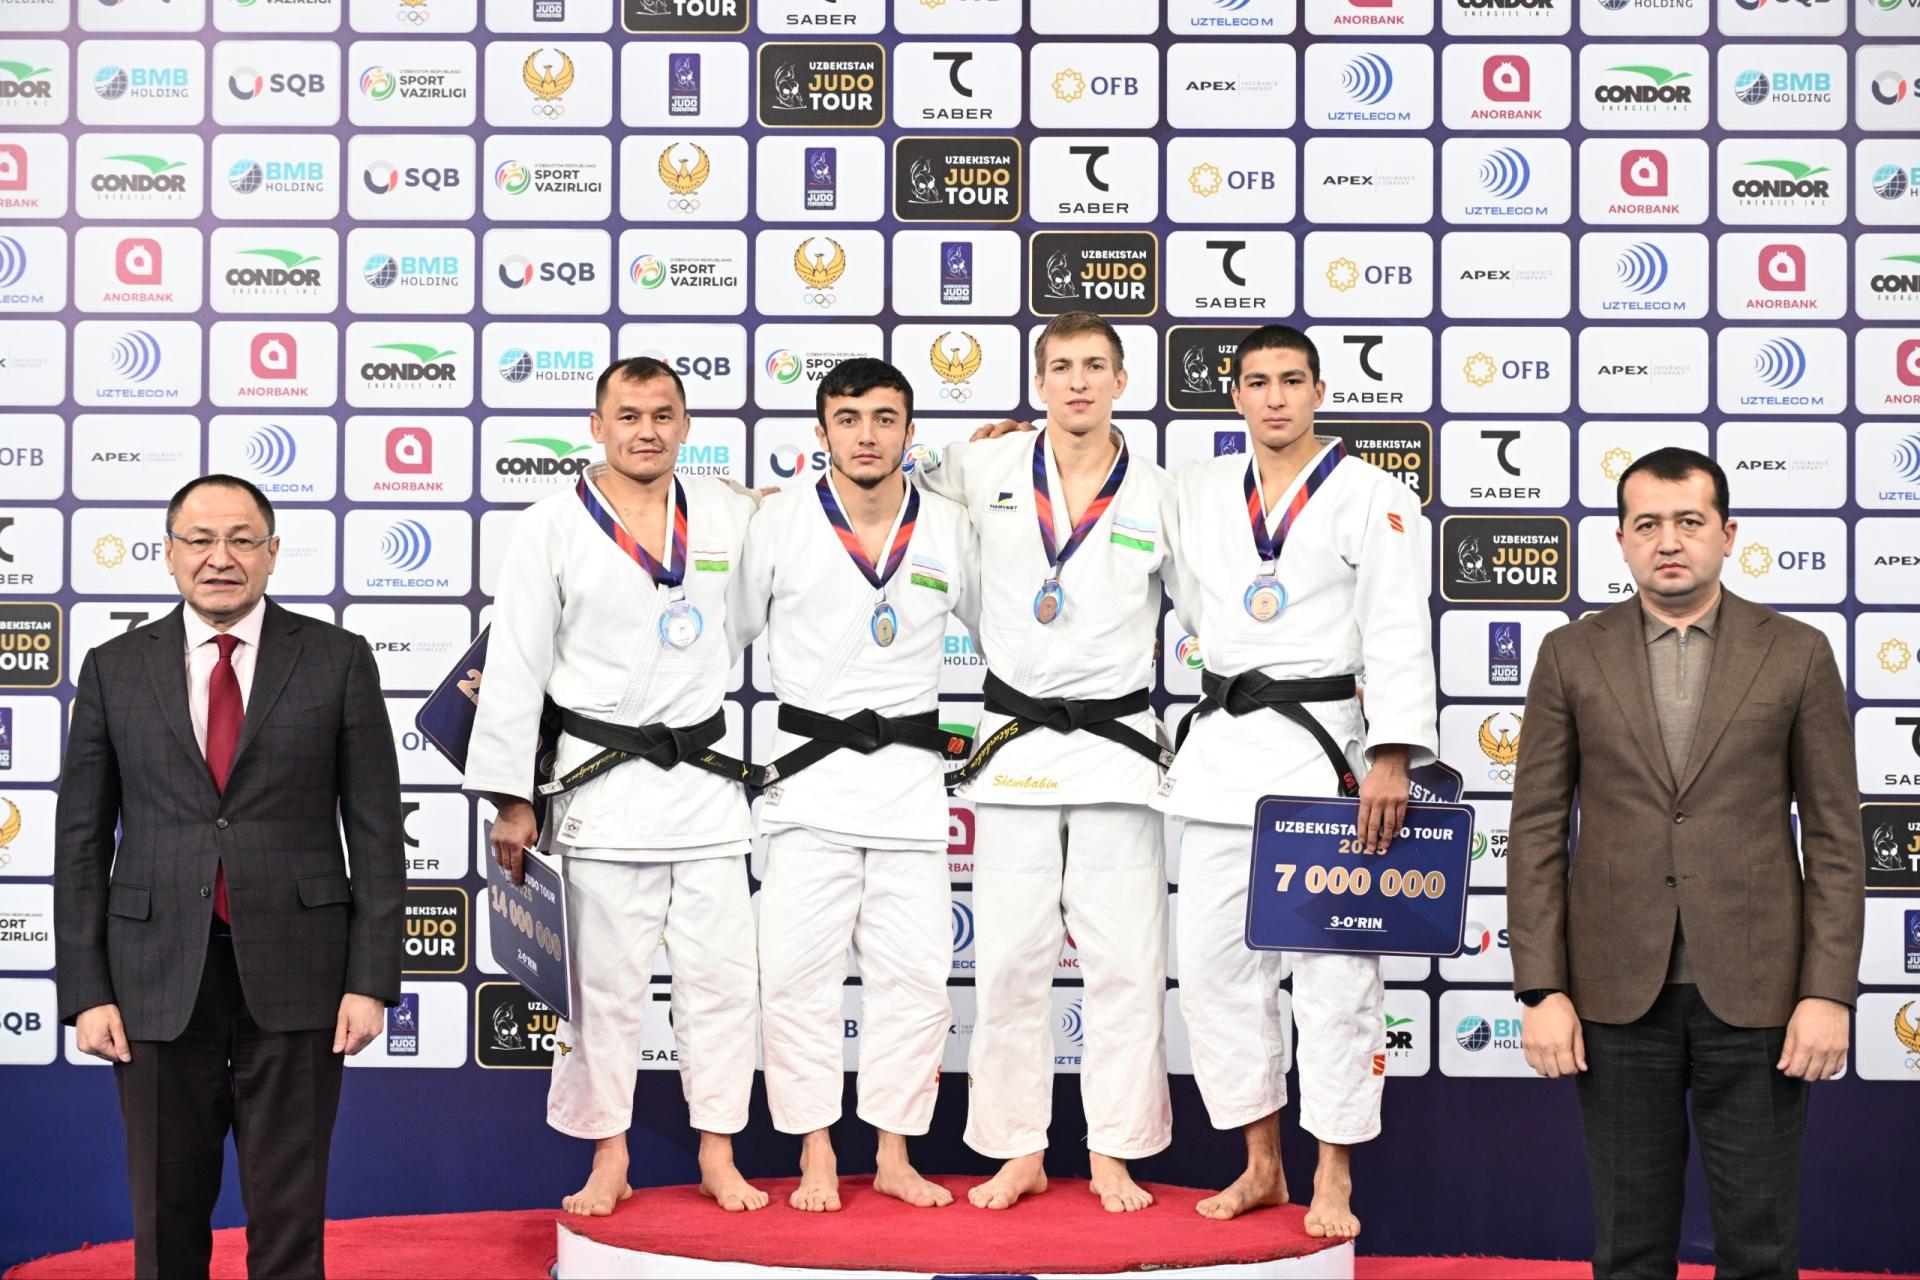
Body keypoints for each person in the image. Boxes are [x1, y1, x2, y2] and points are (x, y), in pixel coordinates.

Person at [1508, 446, 1861, 1279]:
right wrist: (1541, 988)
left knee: (1761, 1247)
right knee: (1628, 1247)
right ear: (1622, 541)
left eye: (1689, 522)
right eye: (1648, 525)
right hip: (1613, 996)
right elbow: (1536, 830)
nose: (1669, 541)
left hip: (1762, 995)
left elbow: (1837, 840)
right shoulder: (1570, 653)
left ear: (1727, 534)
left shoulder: (1798, 652)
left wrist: (1827, 993)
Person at [55, 475, 405, 1279]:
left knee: (290, 1213)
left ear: (272, 552)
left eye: (242, 540)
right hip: (151, 974)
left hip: (302, 969)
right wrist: (87, 989)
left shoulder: (337, 659)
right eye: (201, 540)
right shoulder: (113, 668)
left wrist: (370, 981)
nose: (221, 558)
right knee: (164, 1213)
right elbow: (79, 842)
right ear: (170, 554)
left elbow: (378, 834)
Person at [463, 356, 767, 1216]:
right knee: (601, 994)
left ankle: (718, 1150)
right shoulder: (551, 524)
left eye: (663, 415)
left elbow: (826, 517)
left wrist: (963, 461)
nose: (647, 431)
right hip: (600, 792)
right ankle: (610, 1154)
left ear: (686, 426)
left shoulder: (727, 510)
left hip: (703, 792)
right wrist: (514, 799)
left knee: (721, 985)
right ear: (597, 427)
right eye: (628, 416)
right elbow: (516, 663)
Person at [1154, 326, 1435, 1237]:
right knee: (1215, 975)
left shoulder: (1374, 495)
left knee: (1334, 981)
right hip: (1221, 759)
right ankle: (1262, 1165)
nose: (1274, 397)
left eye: (1290, 380)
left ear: (1319, 390)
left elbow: (1398, 628)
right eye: (1256, 382)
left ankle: (1334, 1177)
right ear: (1235, 396)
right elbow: (1103, 491)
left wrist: (1391, 754)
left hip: (1325, 763)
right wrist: (1007, 451)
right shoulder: (1196, 490)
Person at [908, 311, 1188, 1213]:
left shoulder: (1161, 492)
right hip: (1017, 747)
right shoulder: (982, 465)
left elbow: (1210, 611)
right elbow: (879, 476)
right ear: (1038, 382)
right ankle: (1017, 1146)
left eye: (1094, 366)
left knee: (1126, 964)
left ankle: (1115, 1150)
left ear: (1122, 381)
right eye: (1061, 366)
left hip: (1116, 751)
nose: (1078, 382)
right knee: (1009, 963)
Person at [729, 358, 979, 1212]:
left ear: (910, 432)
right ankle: (815, 1151)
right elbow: (720, 635)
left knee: (916, 983)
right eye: (848, 418)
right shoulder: (779, 522)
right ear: (821, 432)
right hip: (809, 790)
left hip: (910, 790)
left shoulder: (949, 526)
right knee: (796, 981)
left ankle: (895, 1154)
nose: (866, 435)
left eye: (883, 418)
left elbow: (1011, 631)